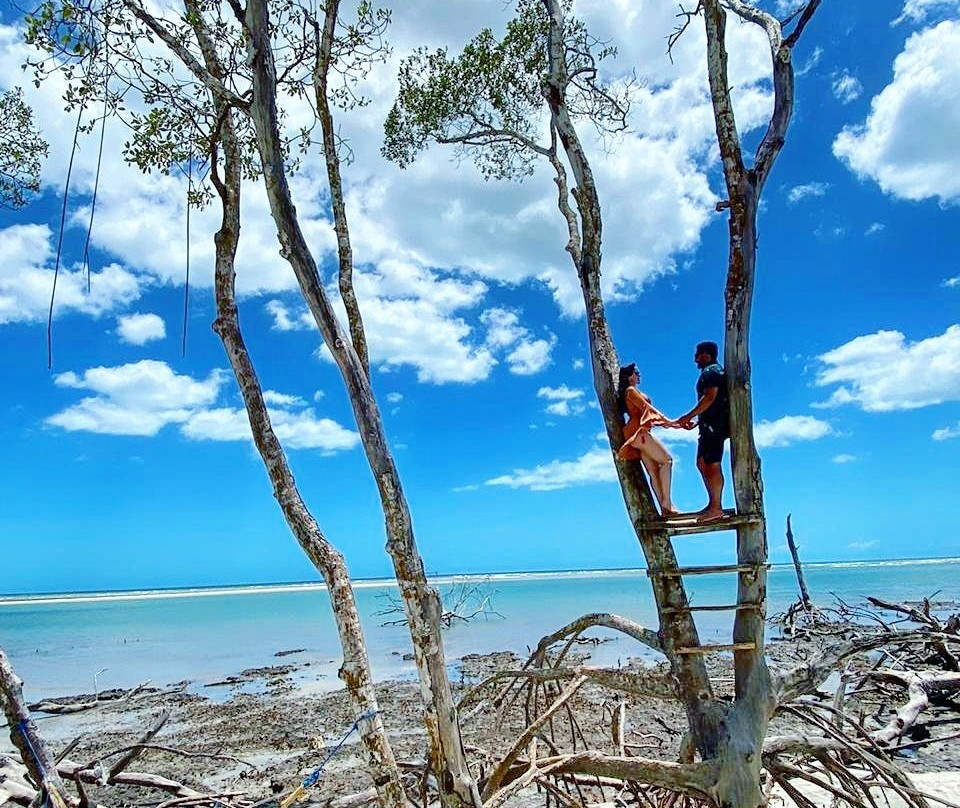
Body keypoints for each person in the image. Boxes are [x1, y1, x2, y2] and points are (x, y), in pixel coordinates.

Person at [676, 341, 730, 522]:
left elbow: (710, 398)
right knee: (701, 463)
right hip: (708, 425)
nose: (695, 359)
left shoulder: (712, 372)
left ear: (706, 354)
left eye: (697, 355)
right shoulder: (710, 372)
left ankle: (716, 507)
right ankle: (713, 503)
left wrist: (688, 416)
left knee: (712, 464)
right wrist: (698, 421)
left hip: (715, 426)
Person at [617, 363, 678, 516]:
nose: (639, 375)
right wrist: (670, 422)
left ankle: (665, 508)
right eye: (636, 373)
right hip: (640, 434)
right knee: (667, 461)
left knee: (654, 471)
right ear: (629, 376)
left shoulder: (631, 391)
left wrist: (669, 423)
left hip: (638, 434)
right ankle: (667, 502)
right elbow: (646, 408)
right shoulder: (631, 391)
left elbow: (647, 412)